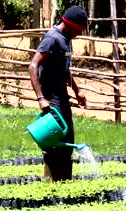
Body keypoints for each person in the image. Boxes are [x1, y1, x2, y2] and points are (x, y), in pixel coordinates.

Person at [29, 5, 88, 182]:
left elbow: (65, 70)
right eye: (79, 30)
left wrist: (77, 91)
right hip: (51, 100)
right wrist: (41, 98)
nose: (79, 34)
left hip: (62, 98)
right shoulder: (52, 39)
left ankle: (64, 184)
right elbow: (33, 66)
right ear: (70, 25)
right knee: (55, 145)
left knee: (67, 143)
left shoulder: (67, 39)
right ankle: (51, 187)